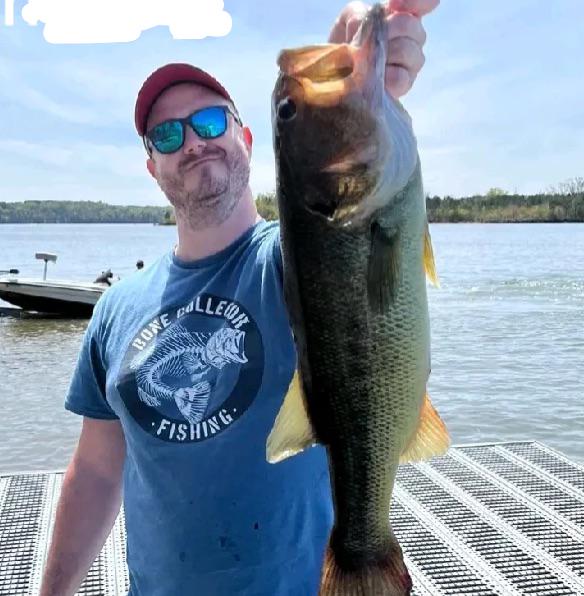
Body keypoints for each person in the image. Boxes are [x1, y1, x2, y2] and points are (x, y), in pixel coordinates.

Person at [39, 1, 439, 594]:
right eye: (167, 134)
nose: (192, 142)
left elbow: (341, 247)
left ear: (246, 139)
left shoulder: (291, 259)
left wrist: (356, 66)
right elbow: (96, 471)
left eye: (209, 121)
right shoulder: (114, 310)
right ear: (152, 167)